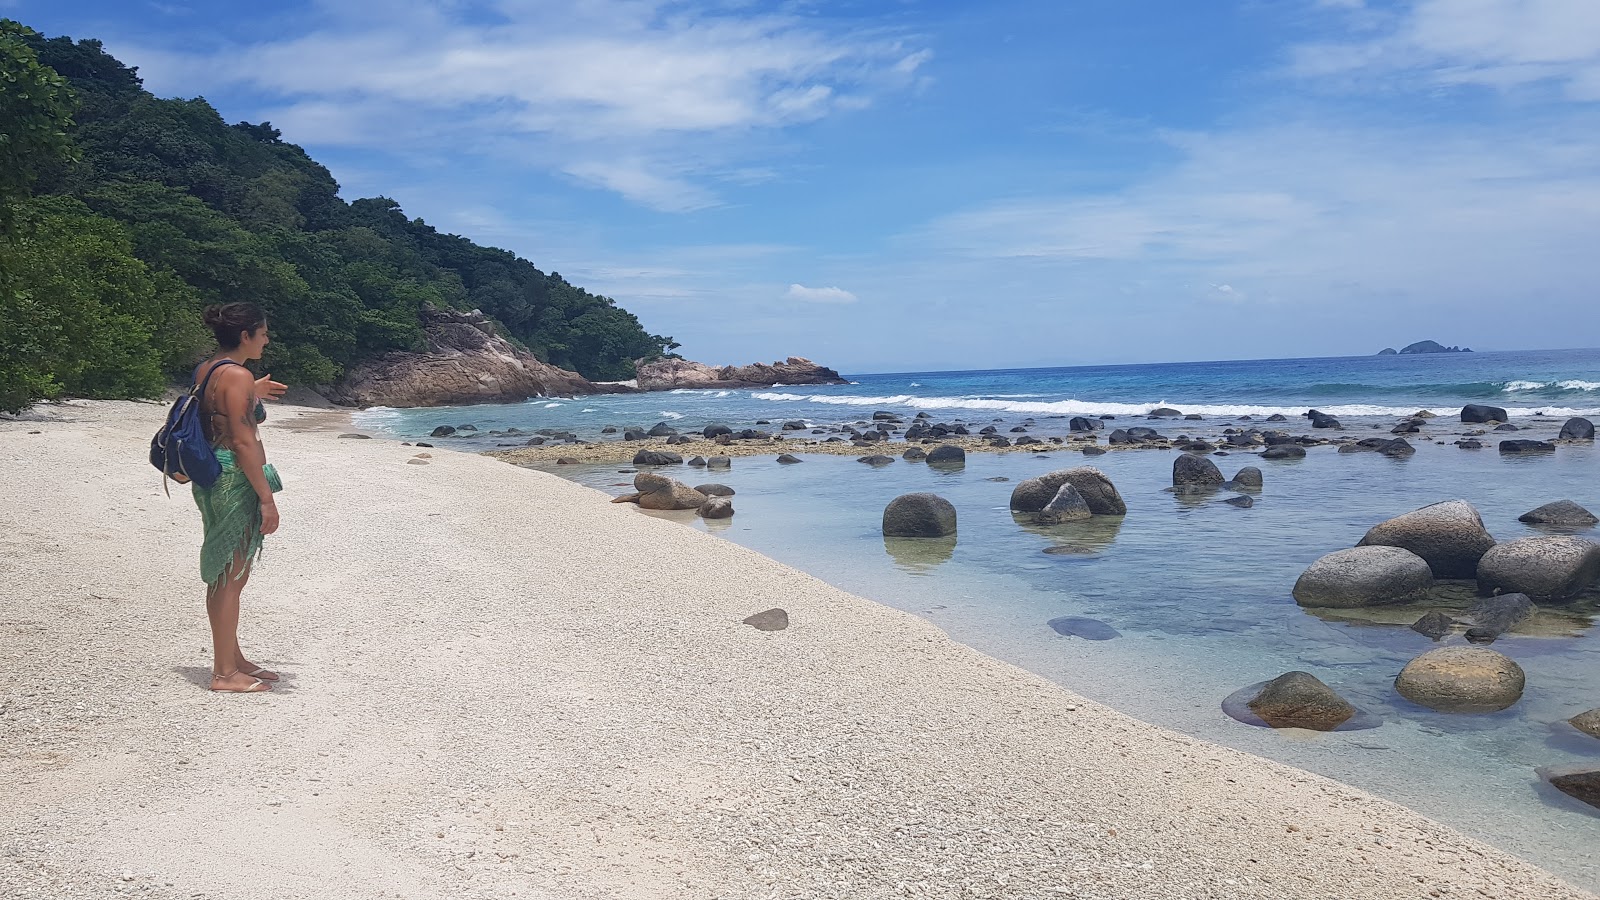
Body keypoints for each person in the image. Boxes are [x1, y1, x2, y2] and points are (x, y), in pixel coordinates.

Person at [192, 302, 288, 693]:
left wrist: (254, 391)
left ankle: (232, 657)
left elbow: (217, 409)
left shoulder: (209, 368)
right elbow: (244, 441)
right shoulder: (237, 375)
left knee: (229, 571)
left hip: (213, 475)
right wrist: (266, 498)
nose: (266, 339)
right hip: (234, 479)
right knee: (230, 574)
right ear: (245, 335)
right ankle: (224, 673)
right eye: (262, 333)